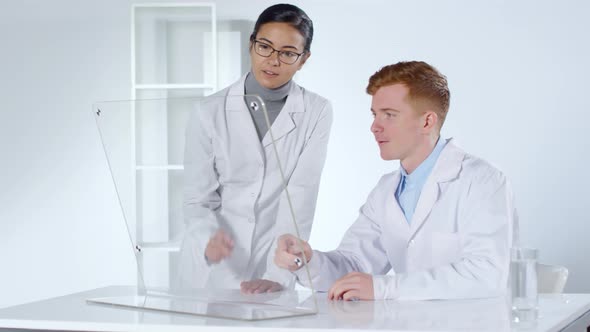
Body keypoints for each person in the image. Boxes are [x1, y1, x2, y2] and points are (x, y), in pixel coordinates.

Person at [274, 61, 517, 300]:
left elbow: (486, 275)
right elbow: (355, 265)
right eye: (375, 114)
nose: (374, 127)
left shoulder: (482, 181)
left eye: (389, 115)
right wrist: (307, 261)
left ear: (427, 121)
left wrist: (384, 289)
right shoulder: (386, 190)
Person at [177, 4, 332, 294]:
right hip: (211, 265)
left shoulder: (316, 111)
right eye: (265, 46)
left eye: (287, 53)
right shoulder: (208, 111)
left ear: (303, 59)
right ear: (251, 45)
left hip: (269, 262)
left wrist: (278, 273)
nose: (273, 60)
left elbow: (300, 195)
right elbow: (197, 198)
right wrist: (209, 240)